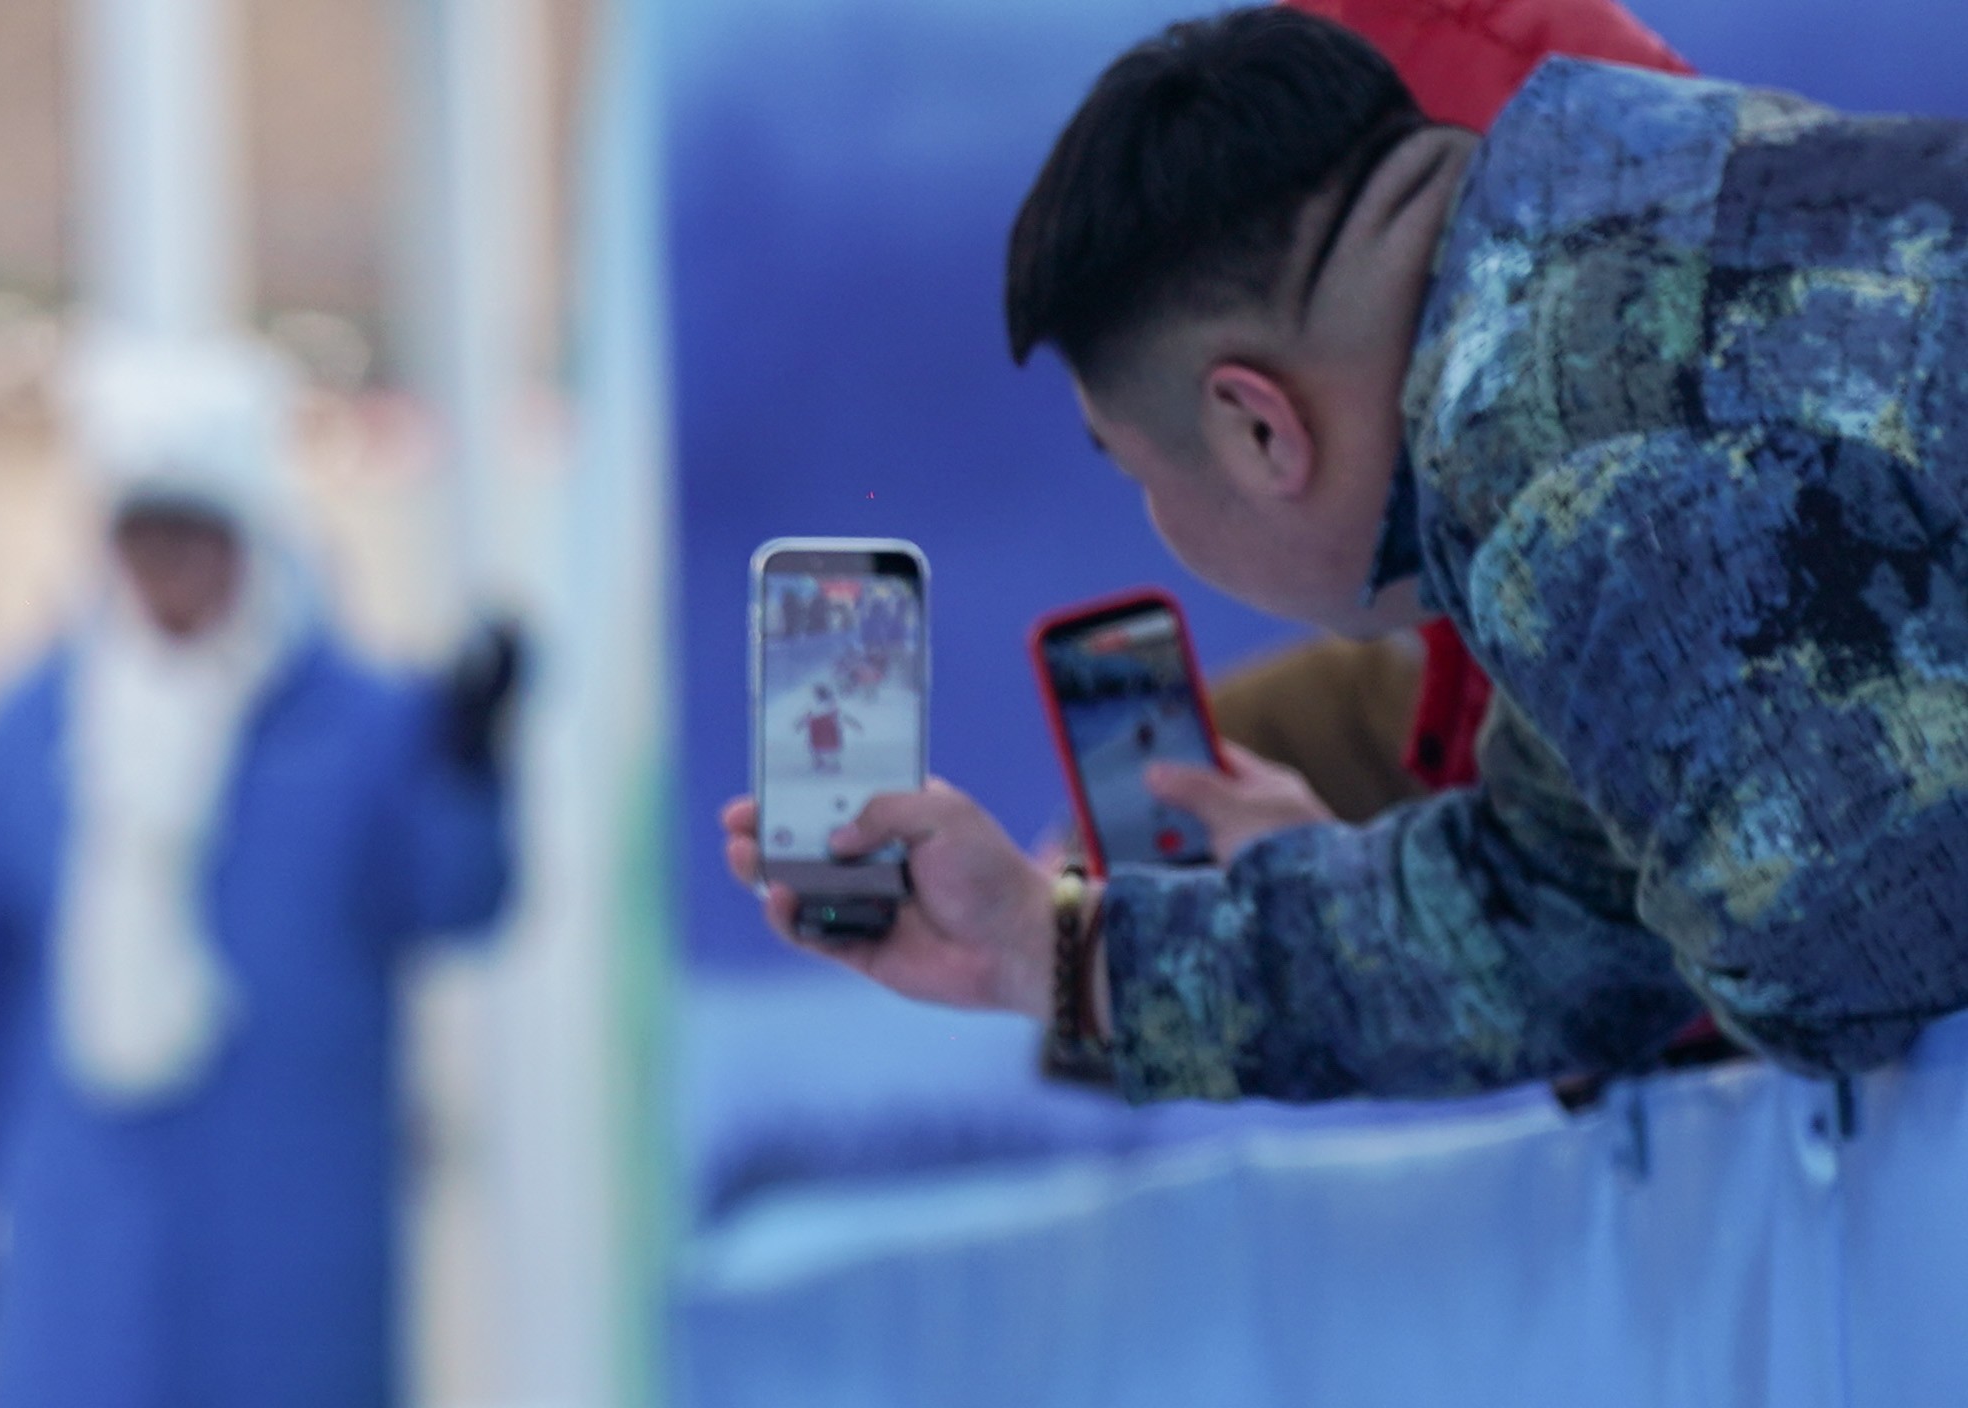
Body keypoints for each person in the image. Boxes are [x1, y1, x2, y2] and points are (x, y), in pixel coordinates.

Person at [724, 10, 1968, 1103]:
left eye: (1138, 475)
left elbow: (1847, 965)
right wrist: (1046, 950)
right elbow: (1550, 914)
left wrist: (1694, 935)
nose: (1159, 519)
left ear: (1257, 425)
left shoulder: (1545, 476)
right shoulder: (1641, 169)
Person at [0, 338, 519, 1408]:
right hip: (78, 1218)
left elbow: (457, 902)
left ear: (255, 535)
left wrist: (470, 766)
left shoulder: (356, 717)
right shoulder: (31, 728)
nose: (169, 568)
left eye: (198, 534)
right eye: (143, 535)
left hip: (293, 1218)